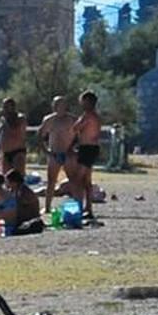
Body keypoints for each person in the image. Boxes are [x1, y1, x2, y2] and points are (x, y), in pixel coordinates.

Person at [35, 95, 79, 211]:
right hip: (54, 153)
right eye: (56, 105)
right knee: (51, 181)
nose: (58, 107)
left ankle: (77, 206)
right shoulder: (49, 120)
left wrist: (73, 148)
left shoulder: (72, 120)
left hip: (68, 153)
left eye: (61, 104)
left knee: (73, 180)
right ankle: (48, 206)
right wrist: (46, 151)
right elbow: (40, 135)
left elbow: (80, 136)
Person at [72, 90, 103, 223]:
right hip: (88, 148)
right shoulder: (91, 115)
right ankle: (87, 208)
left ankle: (78, 206)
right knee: (86, 180)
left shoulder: (88, 115)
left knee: (77, 179)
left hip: (88, 148)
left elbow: (76, 127)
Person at [0, 98, 28, 178]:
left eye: (7, 107)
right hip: (6, 153)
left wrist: (6, 120)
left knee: (18, 176)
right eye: (4, 107)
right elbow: (0, 134)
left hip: (17, 151)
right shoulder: (3, 119)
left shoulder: (20, 118)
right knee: (6, 177)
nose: (4, 109)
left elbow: (14, 129)